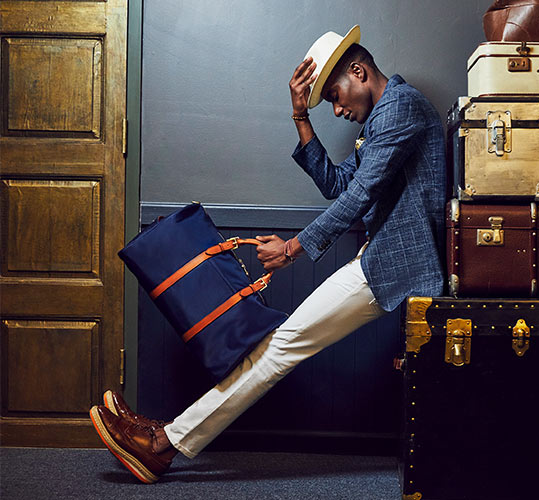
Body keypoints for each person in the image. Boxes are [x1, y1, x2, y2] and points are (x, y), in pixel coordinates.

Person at [89, 25, 445, 483]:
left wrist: (293, 247)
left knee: (279, 348)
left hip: (396, 266)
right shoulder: (385, 116)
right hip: (382, 261)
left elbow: (359, 195)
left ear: (358, 71)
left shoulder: (400, 106)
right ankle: (169, 436)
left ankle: (164, 444)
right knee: (279, 347)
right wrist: (301, 118)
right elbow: (338, 186)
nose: (337, 110)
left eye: (335, 96)